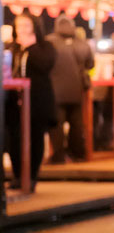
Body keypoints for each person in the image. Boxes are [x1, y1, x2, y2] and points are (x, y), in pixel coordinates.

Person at [4, 13, 57, 191]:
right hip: (13, 102)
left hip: (37, 100)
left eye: (27, 25)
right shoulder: (10, 48)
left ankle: (32, 176)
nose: (23, 30)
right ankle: (18, 175)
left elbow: (45, 66)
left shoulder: (44, 47)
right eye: (19, 26)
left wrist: (30, 48)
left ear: (34, 27)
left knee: (35, 138)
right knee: (13, 139)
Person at [45, 15, 94, 162]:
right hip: (77, 89)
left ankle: (58, 156)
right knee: (77, 124)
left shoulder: (49, 41)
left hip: (54, 90)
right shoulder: (82, 43)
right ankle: (78, 154)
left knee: (57, 124)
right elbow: (90, 64)